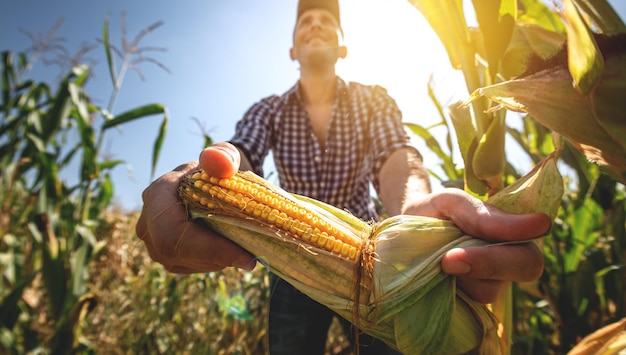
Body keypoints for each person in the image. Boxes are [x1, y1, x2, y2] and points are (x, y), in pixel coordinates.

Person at [136, 0, 550, 354]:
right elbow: (242, 151)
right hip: (291, 273)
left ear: (344, 47)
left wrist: (412, 211)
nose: (315, 23)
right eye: (304, 22)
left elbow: (396, 156)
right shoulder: (269, 110)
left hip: (373, 267)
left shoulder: (372, 101)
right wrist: (207, 174)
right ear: (292, 50)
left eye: (326, 20)